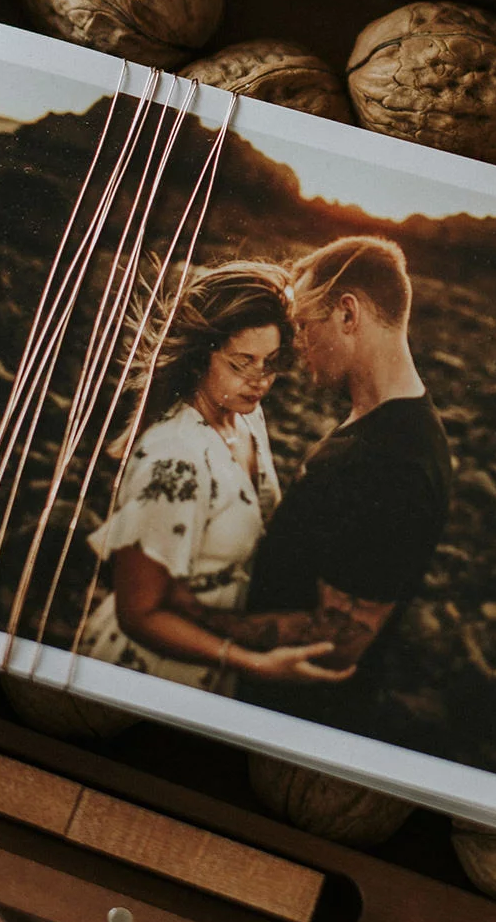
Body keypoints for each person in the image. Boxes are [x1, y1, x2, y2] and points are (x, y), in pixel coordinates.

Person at [187, 235, 453, 718]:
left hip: (287, 714)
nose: (296, 346)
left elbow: (337, 639)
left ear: (348, 315)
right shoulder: (381, 420)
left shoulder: (398, 464)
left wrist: (193, 618)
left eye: (304, 325)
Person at [81, 260, 340, 693]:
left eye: (271, 363)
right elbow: (138, 613)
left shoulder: (248, 419)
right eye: (242, 363)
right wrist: (252, 663)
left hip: (210, 662)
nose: (259, 381)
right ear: (203, 355)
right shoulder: (174, 458)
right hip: (142, 673)